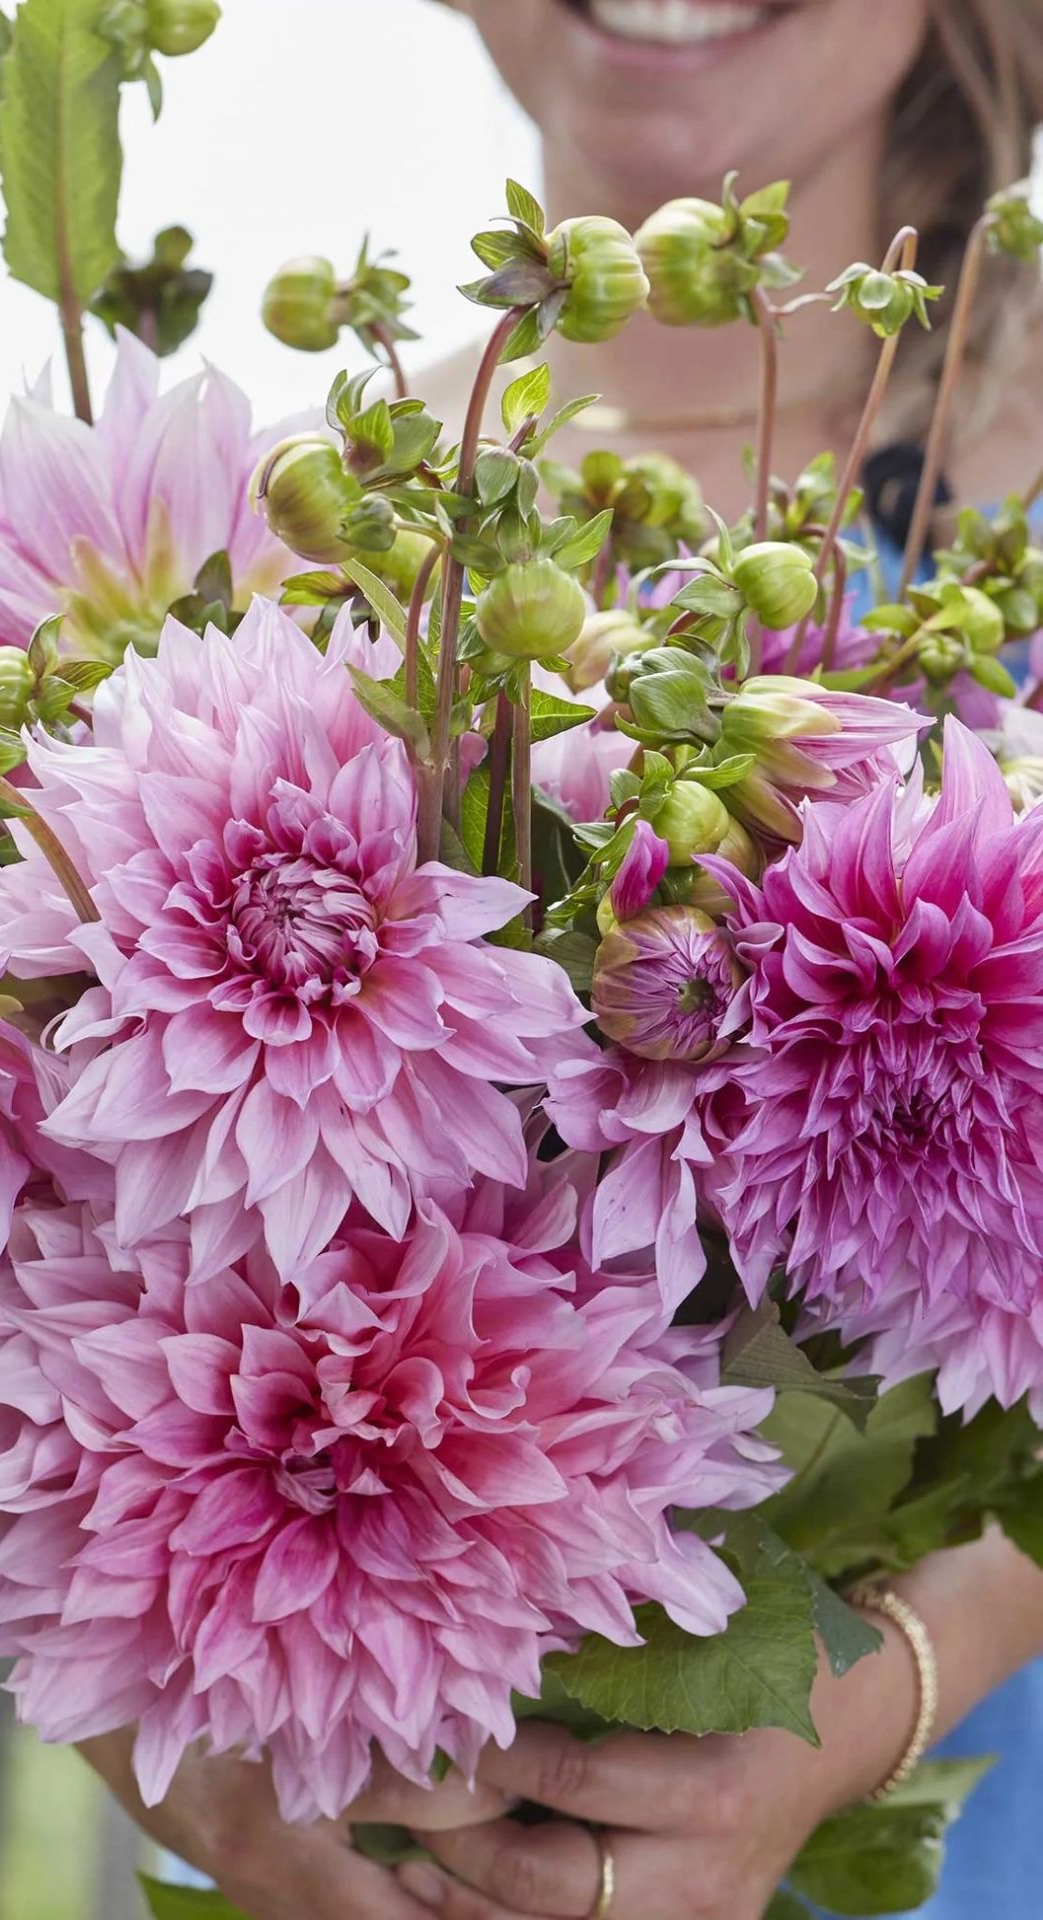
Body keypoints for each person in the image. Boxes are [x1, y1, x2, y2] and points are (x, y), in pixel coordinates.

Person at [79, 3, 1043, 1915]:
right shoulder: (269, 529)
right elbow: (16, 1236)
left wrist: (879, 1693)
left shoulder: (1000, 507)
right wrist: (162, 1733)